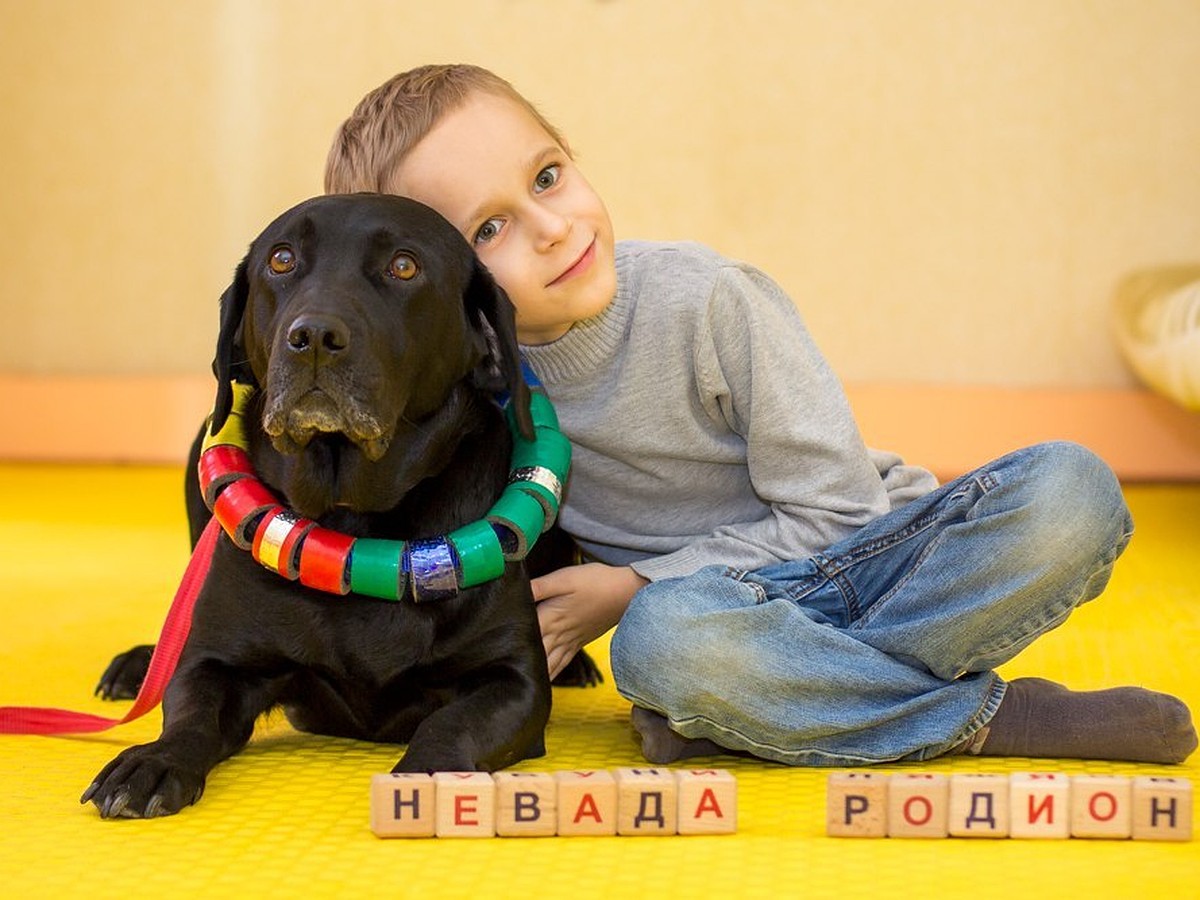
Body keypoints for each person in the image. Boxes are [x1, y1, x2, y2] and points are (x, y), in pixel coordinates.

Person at [323, 64, 1196, 767]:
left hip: (877, 556)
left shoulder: (707, 301)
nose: (553, 226)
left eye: (549, 176)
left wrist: (631, 588)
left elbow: (839, 511)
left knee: (1072, 490)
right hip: (720, 616)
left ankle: (773, 714)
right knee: (664, 650)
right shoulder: (481, 389)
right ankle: (977, 717)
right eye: (489, 231)